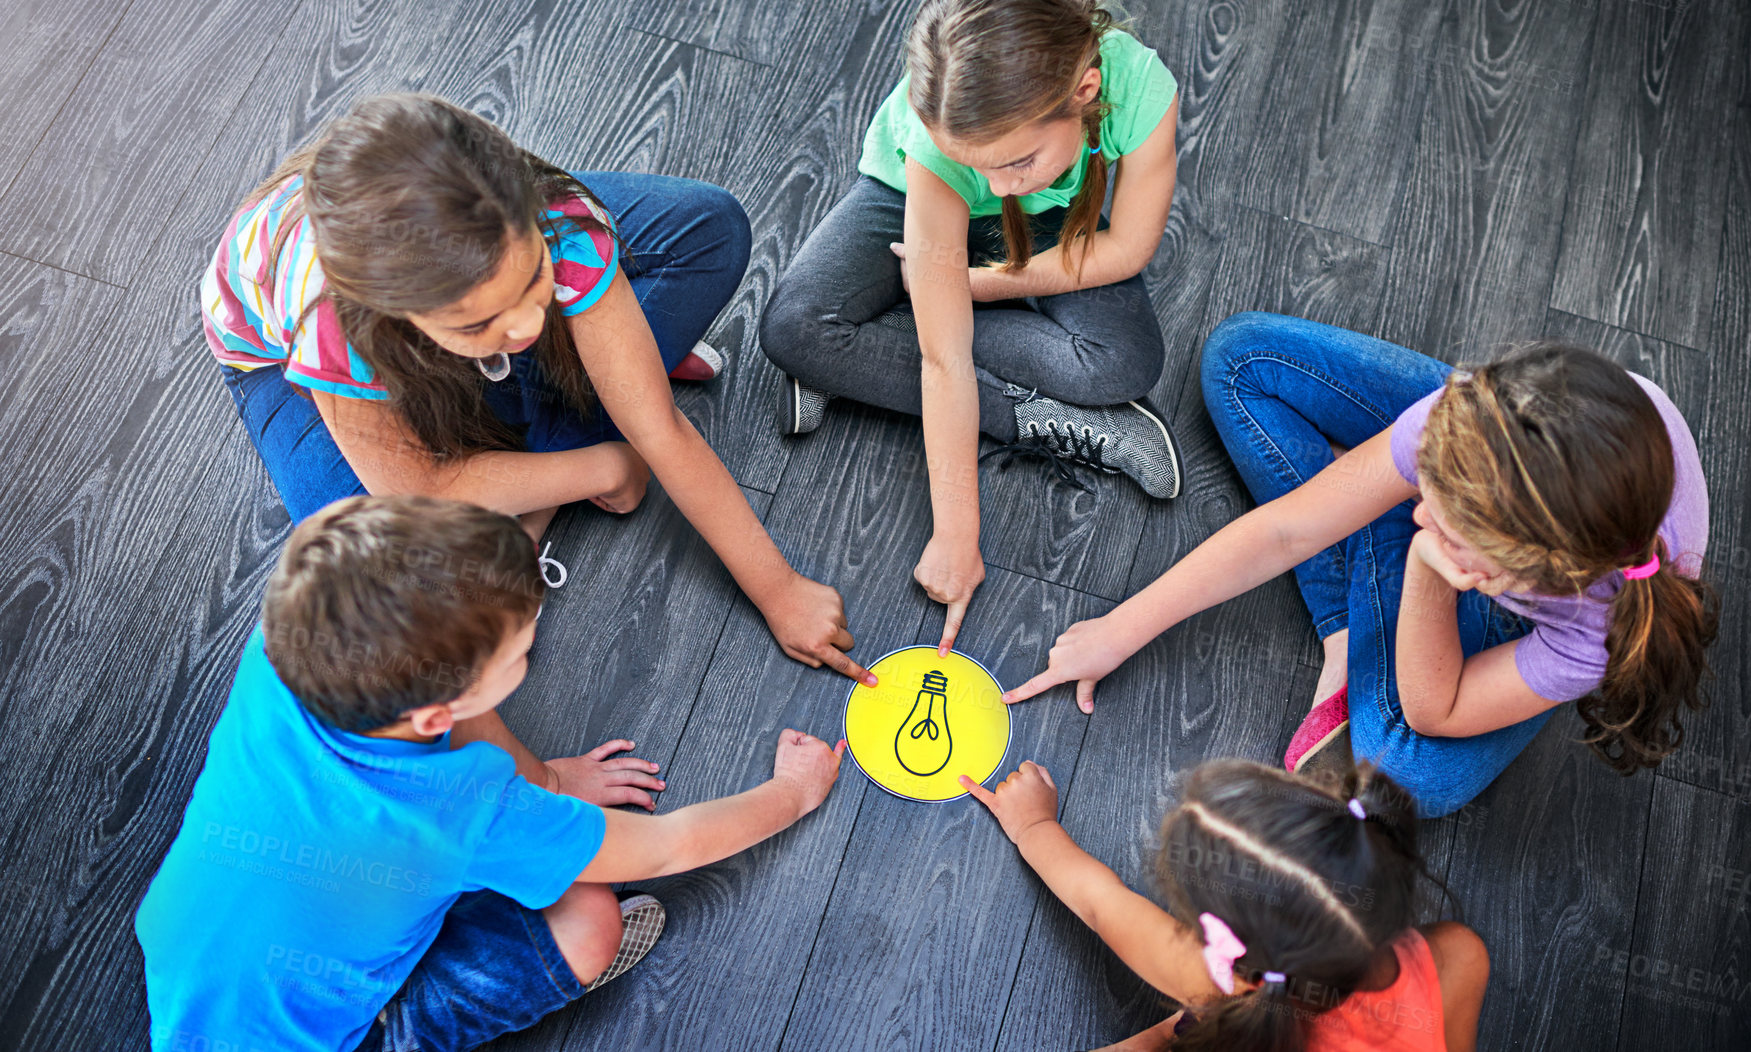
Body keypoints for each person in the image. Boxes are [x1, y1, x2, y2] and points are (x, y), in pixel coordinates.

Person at [135, 495, 848, 1052]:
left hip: (190, 977)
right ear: (442, 710)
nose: (527, 658)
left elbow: (336, 534)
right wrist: (792, 791)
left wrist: (551, 780)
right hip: (332, 1036)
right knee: (589, 920)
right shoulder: (471, 811)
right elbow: (671, 846)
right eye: (521, 656)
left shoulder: (279, 635)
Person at [203, 92, 872, 684]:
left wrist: (779, 588)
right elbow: (422, 491)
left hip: (464, 301)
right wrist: (604, 463)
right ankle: (573, 413)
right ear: (404, 320)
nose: (526, 323)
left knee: (708, 229)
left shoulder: (555, 218)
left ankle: (549, 430)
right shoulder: (334, 326)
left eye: (534, 282)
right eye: (481, 322)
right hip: (284, 362)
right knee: (372, 559)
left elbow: (661, 430)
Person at [1005, 314, 1718, 817]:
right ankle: (1351, 618)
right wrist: (1123, 627)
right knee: (1242, 359)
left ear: (1519, 576)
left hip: (1499, 568)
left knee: (1409, 776)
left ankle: (1357, 575)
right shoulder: (1467, 426)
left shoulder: (1600, 632)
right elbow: (1285, 531)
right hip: (1513, 467)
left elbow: (1434, 712)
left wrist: (1425, 566)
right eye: (1425, 491)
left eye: (1445, 521)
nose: (1421, 508)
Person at [759, 0, 1184, 655]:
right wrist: (956, 532)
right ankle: (1018, 408)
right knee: (794, 329)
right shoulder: (943, 153)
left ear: (1085, 92)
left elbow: (1126, 248)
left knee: (1119, 363)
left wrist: (965, 283)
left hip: (1054, 224)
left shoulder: (1142, 89)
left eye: (1016, 160)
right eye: (979, 163)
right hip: (917, 202)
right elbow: (942, 360)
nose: (997, 185)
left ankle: (861, 352)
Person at [963, 758, 1488, 1050]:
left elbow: (1101, 903)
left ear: (1228, 952)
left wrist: (1034, 825)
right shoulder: (1458, 956)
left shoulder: (1225, 985)